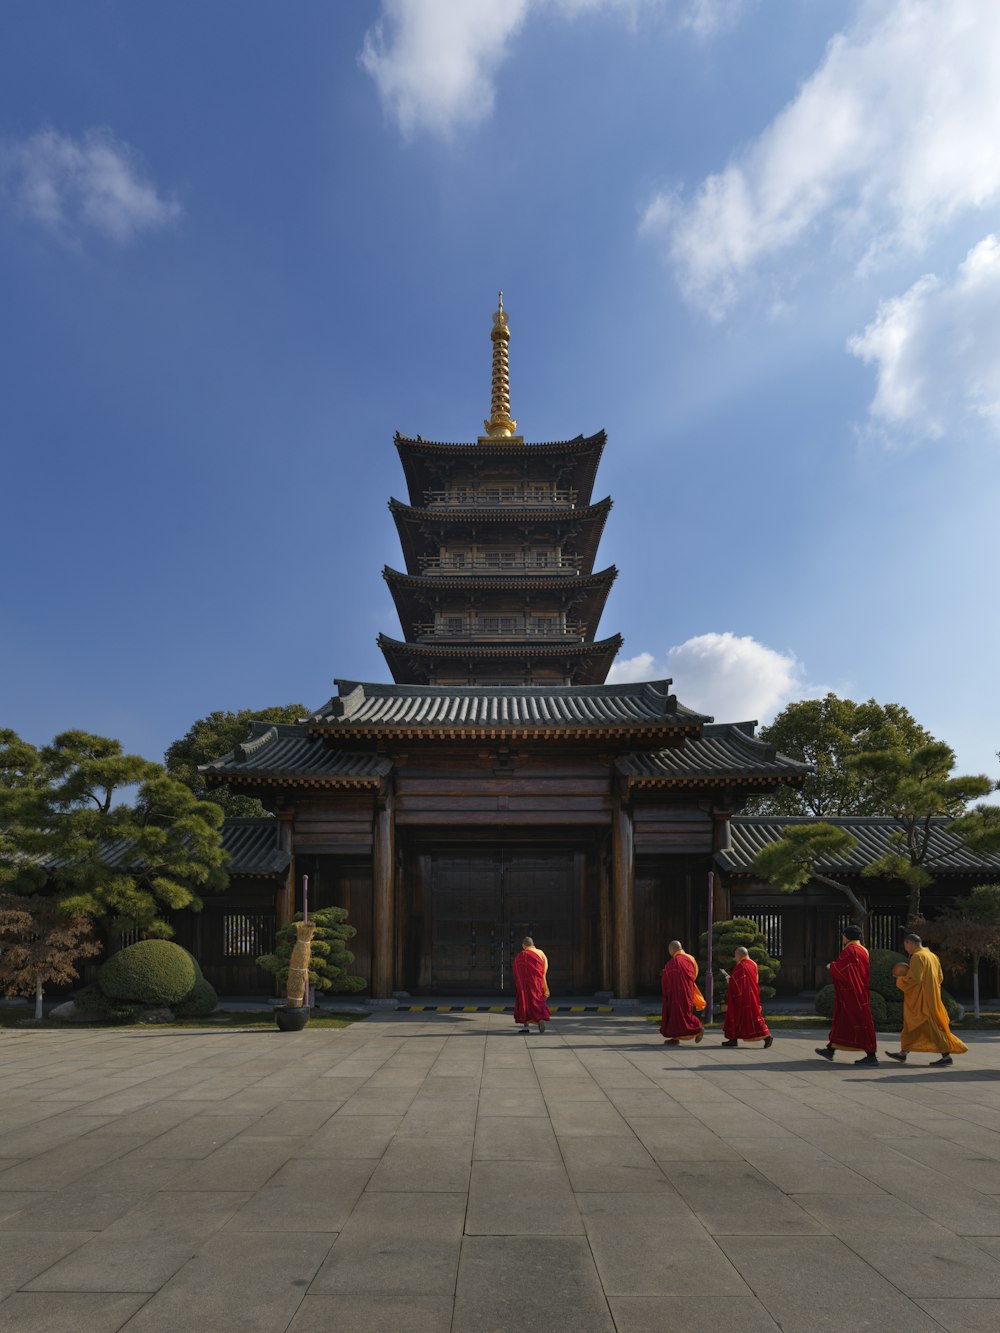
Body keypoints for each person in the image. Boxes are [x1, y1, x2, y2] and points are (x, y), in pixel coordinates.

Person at [886, 933, 968, 1068]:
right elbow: (940, 978)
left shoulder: (917, 957)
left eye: (906, 945)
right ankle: (903, 1053)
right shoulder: (932, 956)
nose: (906, 949)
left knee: (931, 1029)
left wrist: (900, 979)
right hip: (931, 996)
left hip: (923, 1001)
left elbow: (915, 979)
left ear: (909, 943)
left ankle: (946, 1056)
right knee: (911, 1026)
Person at [816, 925, 878, 1066]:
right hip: (860, 989)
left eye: (843, 935)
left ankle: (871, 1054)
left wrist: (831, 966)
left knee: (860, 1021)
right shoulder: (863, 950)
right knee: (842, 1019)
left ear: (847, 936)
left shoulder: (850, 950)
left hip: (852, 992)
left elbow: (843, 969)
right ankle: (830, 1049)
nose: (842, 937)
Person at [720, 946, 774, 1049]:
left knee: (752, 1017)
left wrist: (729, 979)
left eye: (735, 955)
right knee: (740, 1016)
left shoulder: (741, 966)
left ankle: (767, 1037)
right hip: (751, 994)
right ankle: (733, 1039)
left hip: (743, 997)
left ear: (740, 955)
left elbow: (736, 982)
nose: (734, 957)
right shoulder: (753, 964)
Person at [660, 940, 705, 1045]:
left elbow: (665, 978)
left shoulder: (671, 964)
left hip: (674, 993)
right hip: (686, 991)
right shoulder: (690, 959)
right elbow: (694, 974)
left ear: (671, 950)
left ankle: (698, 1028)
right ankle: (675, 1038)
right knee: (681, 1013)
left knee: (679, 1014)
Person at [512, 936, 550, 1034]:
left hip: (524, 986)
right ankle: (539, 1020)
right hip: (537, 984)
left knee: (524, 1002)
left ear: (523, 945)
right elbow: (544, 969)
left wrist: (520, 982)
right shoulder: (540, 953)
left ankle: (526, 1028)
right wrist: (541, 981)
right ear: (533, 944)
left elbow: (516, 970)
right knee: (536, 1002)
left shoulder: (521, 955)